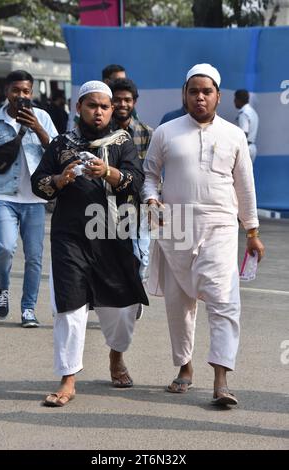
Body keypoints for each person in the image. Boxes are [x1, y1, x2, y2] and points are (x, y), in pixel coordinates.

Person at [143, 63, 265, 406]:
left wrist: (252, 232)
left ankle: (221, 378)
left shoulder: (234, 134)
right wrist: (152, 198)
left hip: (221, 227)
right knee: (179, 304)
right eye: (193, 91)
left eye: (206, 92)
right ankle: (184, 367)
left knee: (225, 301)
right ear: (184, 94)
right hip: (176, 226)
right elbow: (150, 175)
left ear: (218, 97)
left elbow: (246, 187)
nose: (200, 97)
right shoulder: (165, 132)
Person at [31, 80, 148, 407]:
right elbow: (39, 183)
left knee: (124, 309)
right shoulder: (61, 144)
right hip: (70, 238)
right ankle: (68, 379)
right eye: (91, 105)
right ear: (79, 108)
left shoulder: (122, 142)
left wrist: (108, 172)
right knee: (69, 306)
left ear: (112, 110)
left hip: (113, 236)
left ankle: (116, 355)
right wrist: (59, 179)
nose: (98, 112)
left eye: (104, 106)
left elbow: (135, 181)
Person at [0, 70, 58, 327]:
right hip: (3, 194)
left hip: (36, 198)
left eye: (26, 91)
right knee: (6, 247)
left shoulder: (42, 117)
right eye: (16, 90)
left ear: (32, 92)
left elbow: (56, 150)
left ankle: (28, 308)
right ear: (7, 91)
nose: (21, 96)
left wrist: (37, 128)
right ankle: (3, 287)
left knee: (34, 257)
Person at [110, 78, 153, 320]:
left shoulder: (147, 133)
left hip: (141, 204)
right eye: (117, 100)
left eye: (127, 100)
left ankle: (137, 293)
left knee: (142, 255)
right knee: (118, 255)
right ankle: (123, 299)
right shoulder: (104, 133)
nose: (122, 104)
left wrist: (152, 201)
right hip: (109, 205)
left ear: (134, 102)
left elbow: (152, 172)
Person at [234, 89, 259, 163]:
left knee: (238, 174)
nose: (234, 101)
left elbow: (244, 133)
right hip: (252, 147)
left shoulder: (244, 114)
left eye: (235, 98)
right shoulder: (252, 112)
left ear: (239, 99)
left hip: (245, 148)